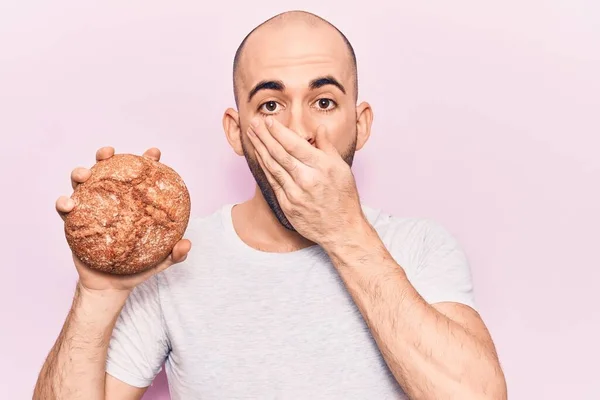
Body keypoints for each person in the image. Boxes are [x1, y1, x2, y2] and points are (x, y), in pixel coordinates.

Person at [34, 10, 507, 400]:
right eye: (270, 106)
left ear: (361, 124)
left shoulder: (420, 247)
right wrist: (97, 294)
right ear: (235, 132)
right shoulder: (176, 260)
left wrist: (343, 231)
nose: (298, 131)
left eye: (324, 102)